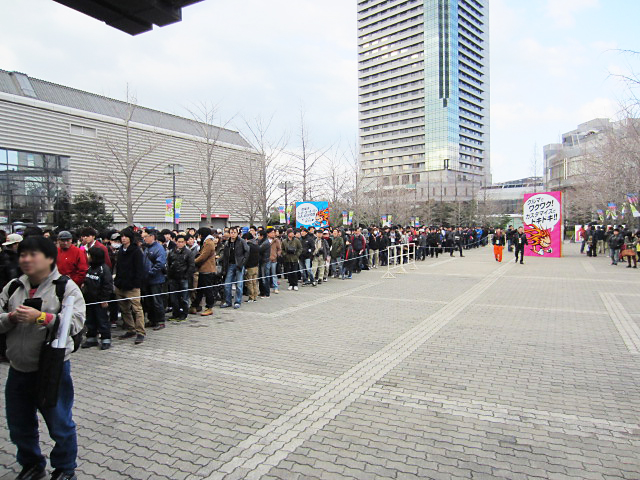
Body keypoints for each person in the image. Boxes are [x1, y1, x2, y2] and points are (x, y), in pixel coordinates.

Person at [0, 235, 85, 480]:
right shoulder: (14, 286)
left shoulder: (65, 287)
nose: (26, 260)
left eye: (32, 255)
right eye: (22, 255)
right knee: (19, 424)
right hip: (18, 368)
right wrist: (11, 318)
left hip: (51, 369)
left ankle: (65, 468)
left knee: (59, 422)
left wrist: (41, 317)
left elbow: (76, 323)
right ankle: (32, 464)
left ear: (49, 258)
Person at [114, 229, 145, 345]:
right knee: (124, 309)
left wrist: (136, 283)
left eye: (125, 236)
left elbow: (139, 269)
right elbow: (118, 267)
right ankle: (130, 329)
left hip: (132, 286)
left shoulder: (136, 251)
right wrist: (117, 281)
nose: (123, 238)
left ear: (130, 238)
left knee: (137, 309)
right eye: (122, 236)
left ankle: (140, 332)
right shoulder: (120, 250)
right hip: (120, 285)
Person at [80, 247, 113, 350]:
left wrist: (104, 299)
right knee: (90, 319)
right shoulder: (90, 268)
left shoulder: (104, 269)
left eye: (89, 255)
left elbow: (107, 285)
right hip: (89, 300)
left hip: (100, 301)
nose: (87, 257)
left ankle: (106, 339)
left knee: (102, 320)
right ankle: (91, 338)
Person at [141, 230, 167, 330]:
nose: (144, 239)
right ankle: (152, 320)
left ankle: (160, 321)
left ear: (152, 236)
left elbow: (160, 264)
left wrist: (150, 273)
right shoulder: (147, 248)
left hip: (156, 279)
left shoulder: (159, 248)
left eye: (146, 237)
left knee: (157, 301)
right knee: (149, 301)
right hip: (147, 280)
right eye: (143, 237)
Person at [167, 235, 195, 321]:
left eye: (182, 242)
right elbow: (168, 264)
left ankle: (184, 314)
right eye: (179, 242)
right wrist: (169, 275)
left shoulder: (188, 252)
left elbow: (191, 266)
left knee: (184, 297)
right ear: (176, 242)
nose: (180, 244)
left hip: (183, 277)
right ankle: (175, 313)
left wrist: (186, 276)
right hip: (173, 277)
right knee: (174, 297)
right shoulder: (171, 252)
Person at [190, 228, 218, 316]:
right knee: (200, 289)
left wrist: (193, 261)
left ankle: (209, 307)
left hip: (207, 269)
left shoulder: (208, 243)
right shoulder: (206, 242)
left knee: (207, 289)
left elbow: (203, 256)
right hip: (203, 269)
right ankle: (195, 306)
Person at [220, 227, 249, 309]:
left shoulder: (241, 241)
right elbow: (225, 255)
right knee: (227, 285)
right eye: (231, 232)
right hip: (230, 265)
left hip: (239, 265)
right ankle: (228, 301)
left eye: (234, 232)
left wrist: (243, 262)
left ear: (237, 233)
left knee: (239, 285)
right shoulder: (227, 243)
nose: (233, 234)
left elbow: (247, 251)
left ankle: (237, 301)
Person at [244, 234, 260, 302]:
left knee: (249, 283)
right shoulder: (256, 246)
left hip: (249, 267)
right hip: (256, 266)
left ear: (246, 239)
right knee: (255, 282)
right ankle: (255, 296)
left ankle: (251, 297)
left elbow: (246, 257)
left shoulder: (247, 246)